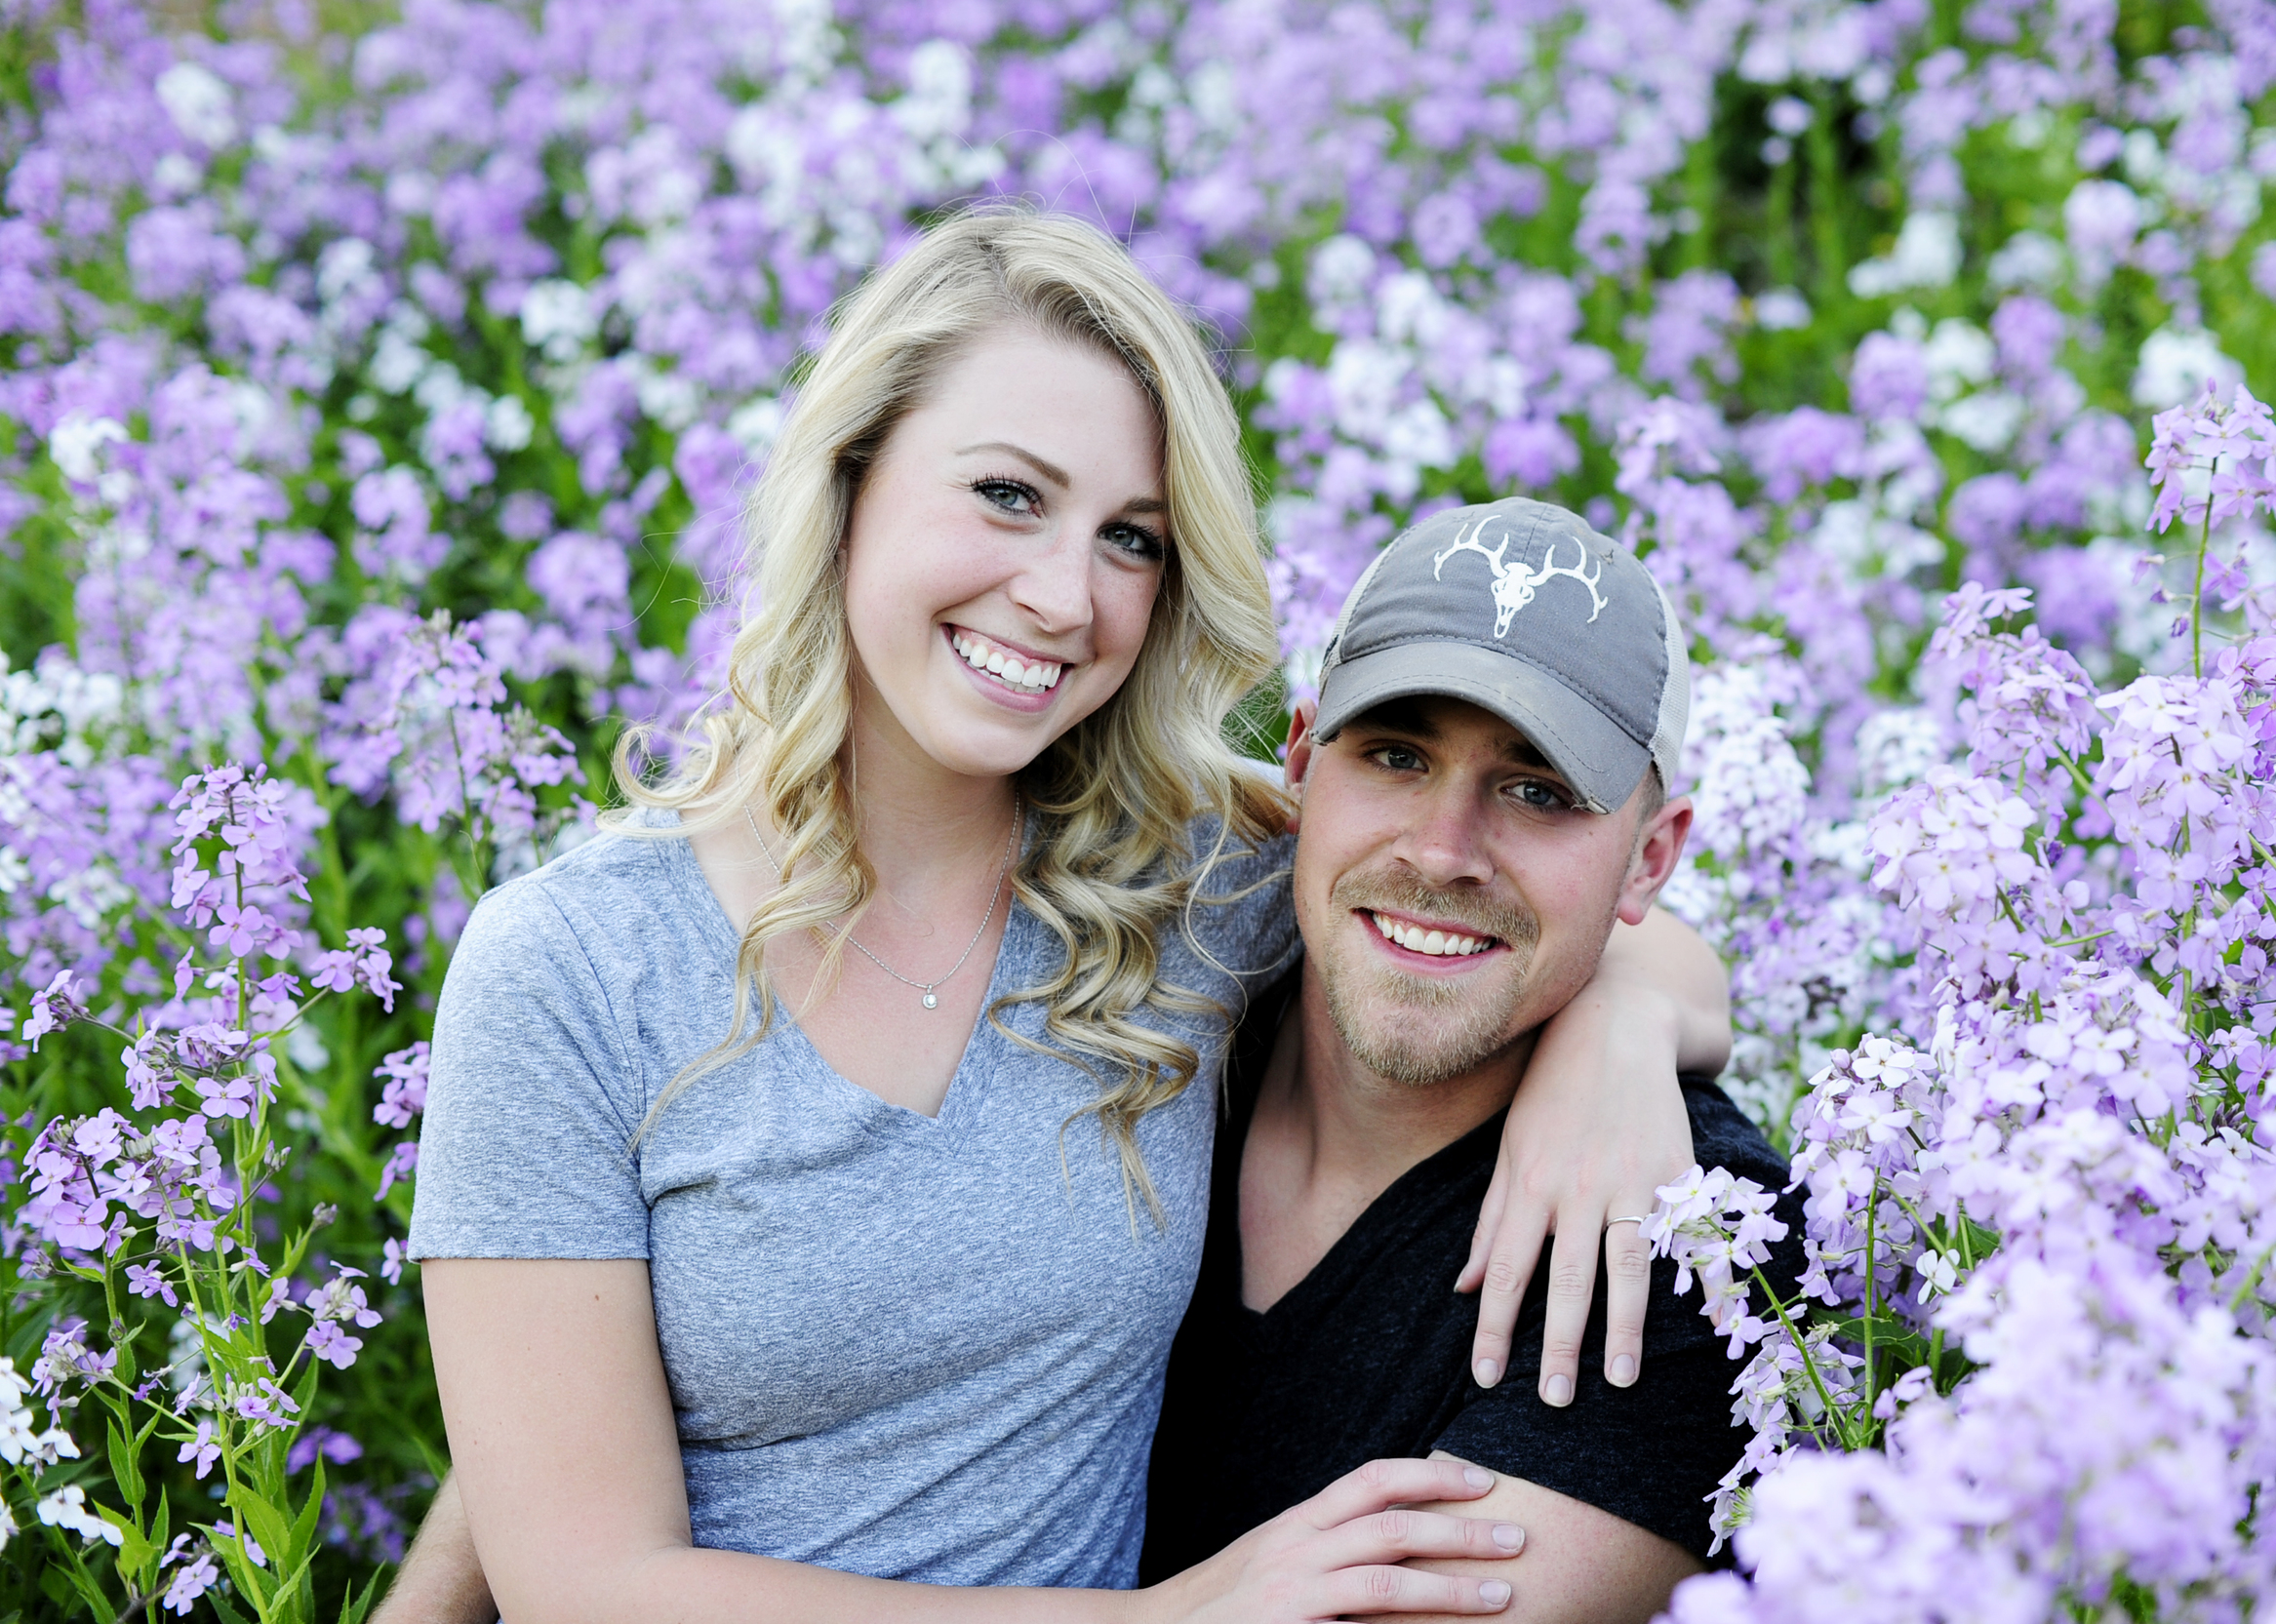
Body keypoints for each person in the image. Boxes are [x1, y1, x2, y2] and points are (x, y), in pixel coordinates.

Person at [399, 212, 1719, 1623]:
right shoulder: (572, 964)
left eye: (1132, 540)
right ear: (849, 478)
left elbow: (1497, 900)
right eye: (1008, 495)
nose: (1060, 595)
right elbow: (577, 1579)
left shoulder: (1181, 884)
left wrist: (1623, 1036)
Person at [1138, 500, 1799, 1621]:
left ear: (1651, 858)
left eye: (1538, 791)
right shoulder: (1151, 999)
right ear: (1299, 764)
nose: (1442, 853)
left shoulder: (1689, 1240)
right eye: (1395, 754)